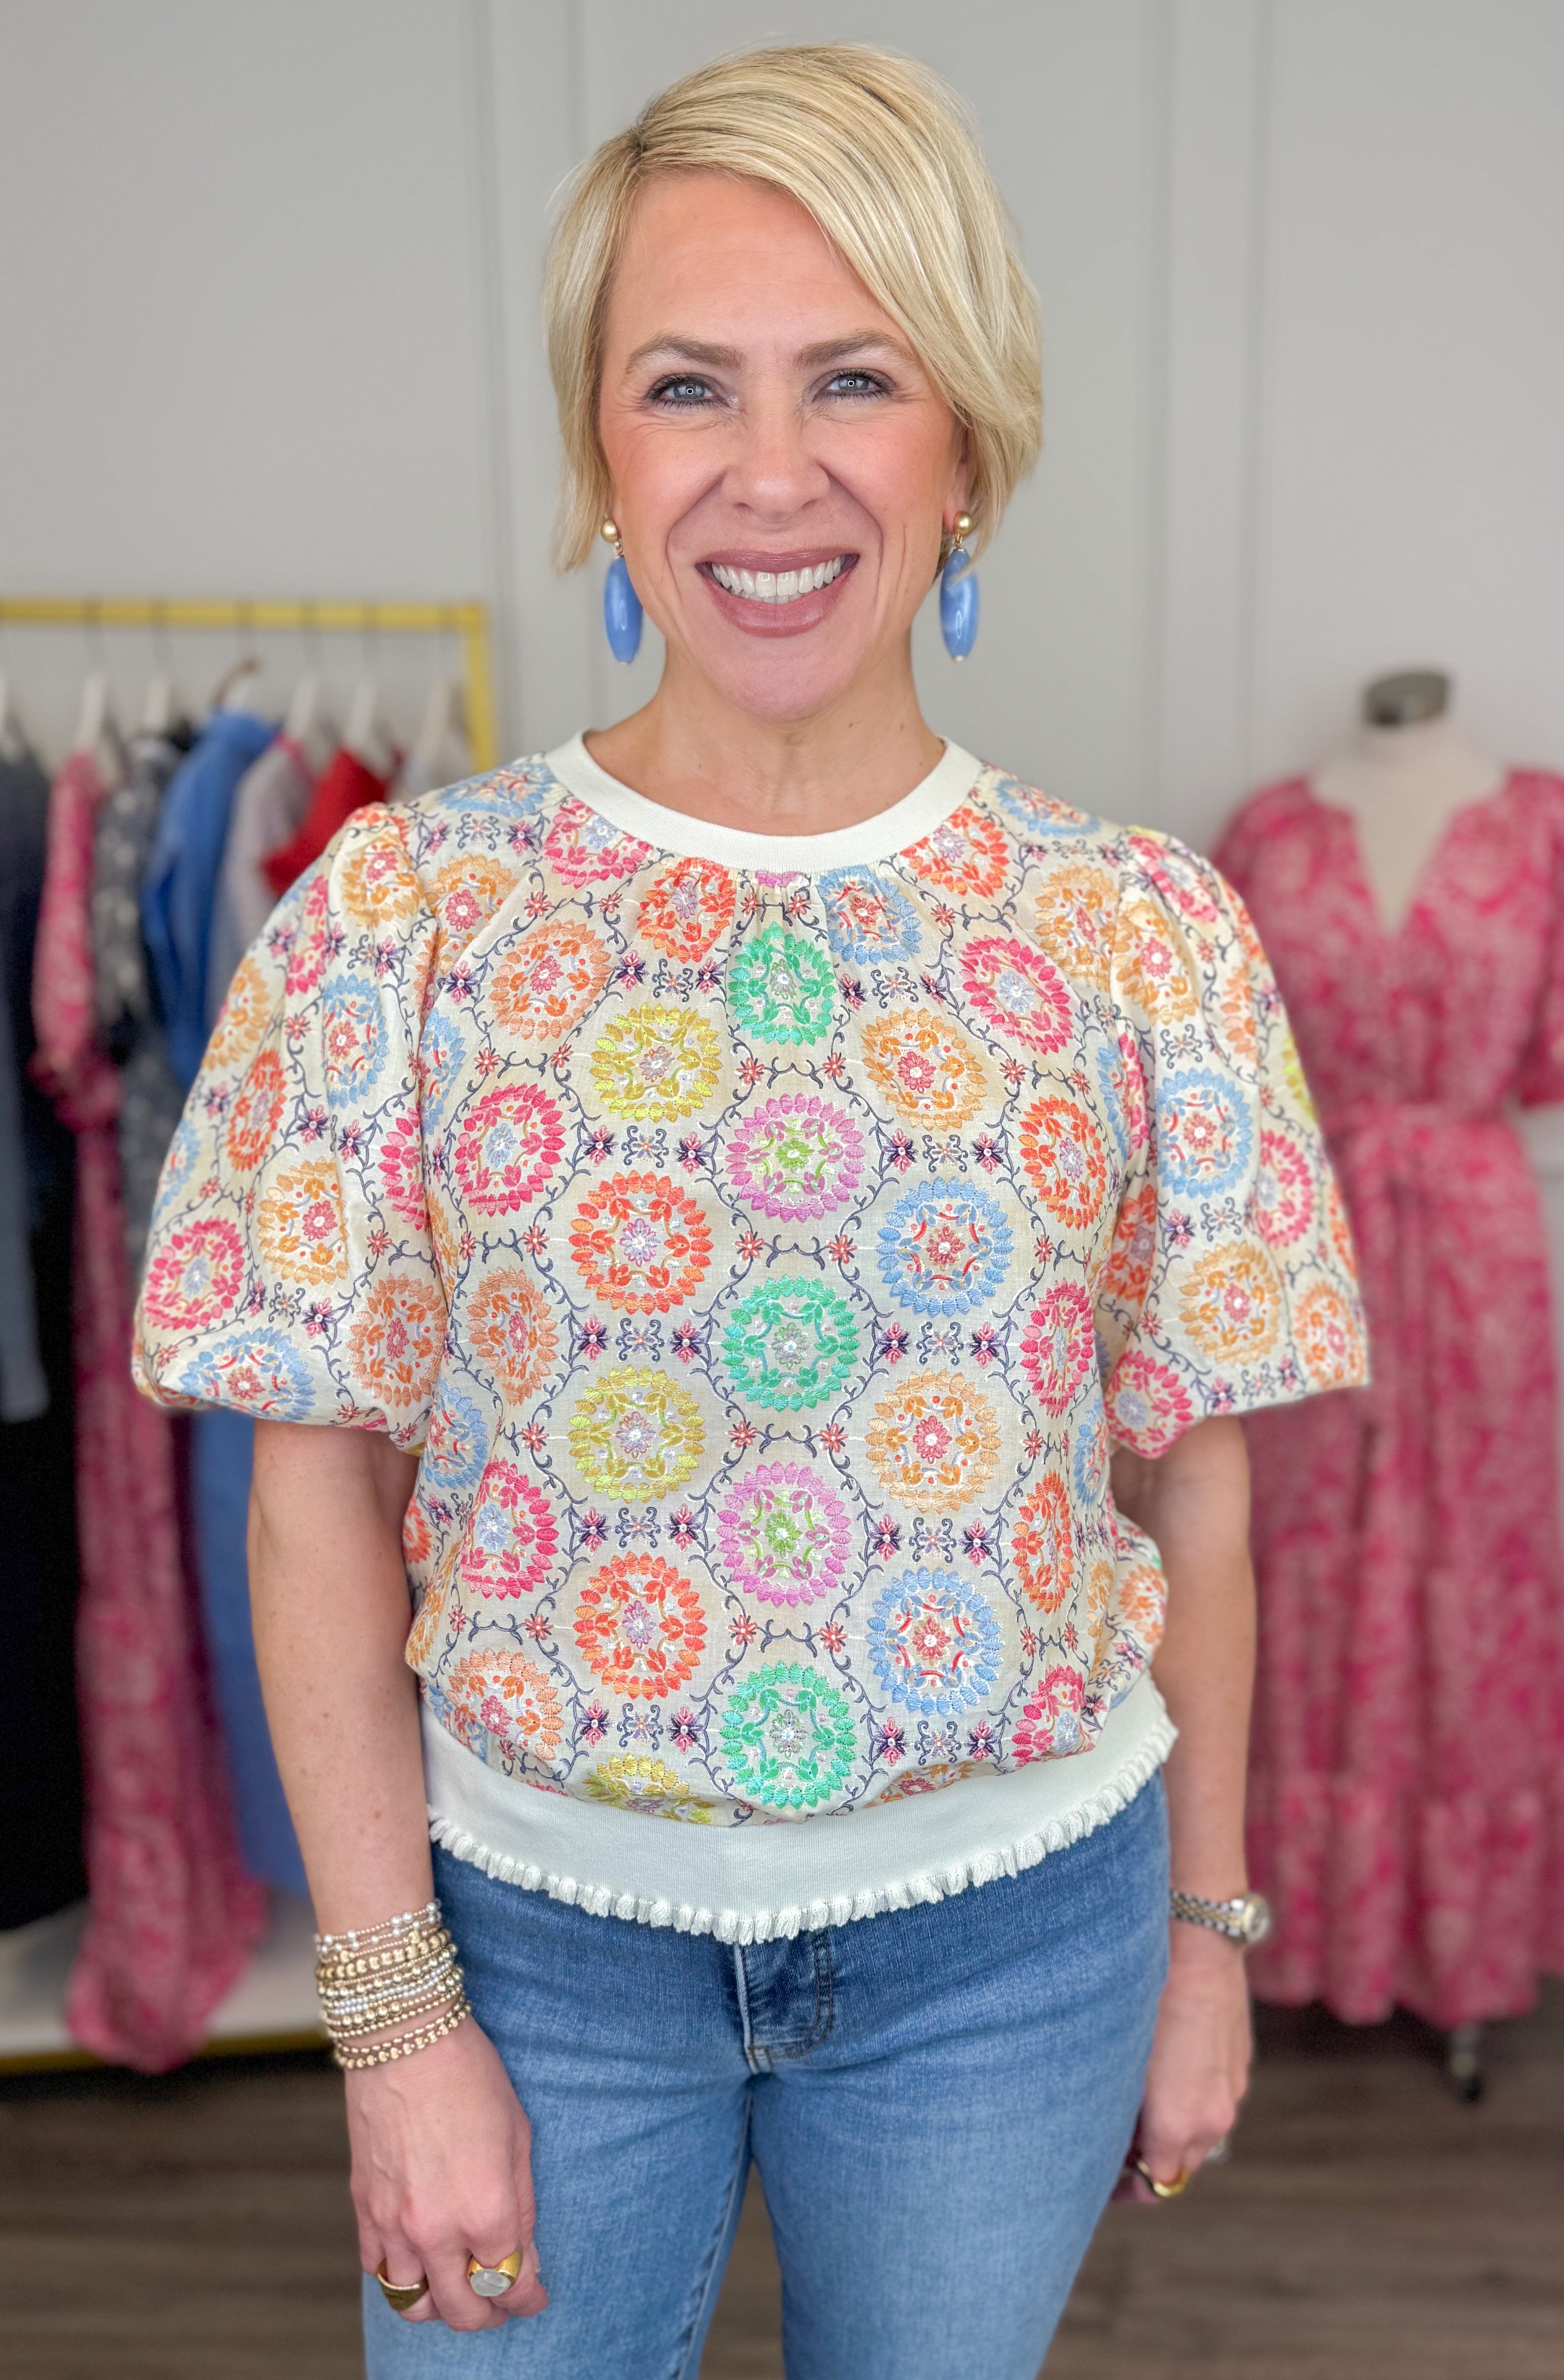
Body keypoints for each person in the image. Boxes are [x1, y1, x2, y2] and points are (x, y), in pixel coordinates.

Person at [134, 43, 1366, 2379]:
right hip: (535, 1944)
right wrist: (393, 2029)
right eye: (686, 386)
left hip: (1015, 1945)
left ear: (965, 446)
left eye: (855, 381)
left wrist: (1206, 1931)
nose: (770, 472)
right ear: (600, 456)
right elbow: (311, 1493)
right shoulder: (402, 914)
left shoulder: (1137, 933)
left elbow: (1190, 1480)